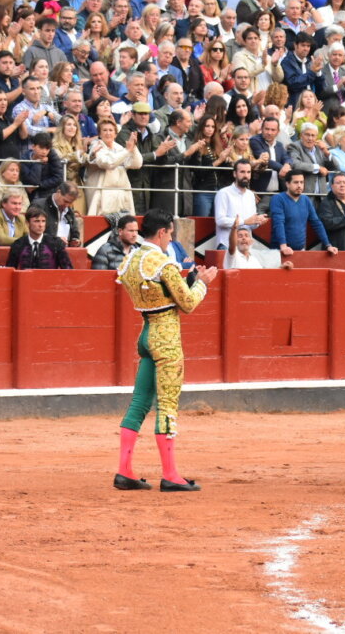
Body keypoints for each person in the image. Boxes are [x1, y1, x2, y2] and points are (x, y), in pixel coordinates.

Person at [114, 209, 218, 492]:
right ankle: (170, 474)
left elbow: (161, 296)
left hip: (146, 334)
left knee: (139, 403)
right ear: (162, 233)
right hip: (166, 338)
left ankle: (124, 471)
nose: (171, 239)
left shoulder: (131, 260)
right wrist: (202, 284)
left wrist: (189, 281)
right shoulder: (164, 263)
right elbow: (187, 304)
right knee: (167, 405)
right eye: (171, 234)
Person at [269, 170, 339, 256]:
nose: (299, 185)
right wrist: (283, 246)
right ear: (287, 184)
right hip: (279, 251)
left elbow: (316, 223)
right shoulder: (278, 199)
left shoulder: (306, 200)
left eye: (301, 182)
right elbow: (278, 223)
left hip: (300, 250)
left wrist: (328, 245)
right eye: (296, 182)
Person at [5, 206, 73, 269]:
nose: (41, 225)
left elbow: (68, 269)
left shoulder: (55, 243)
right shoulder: (18, 244)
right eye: (36, 221)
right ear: (27, 223)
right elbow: (10, 269)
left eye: (43, 221)